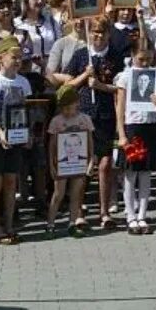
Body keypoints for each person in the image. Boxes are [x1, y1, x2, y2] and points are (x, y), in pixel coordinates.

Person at [69, 16, 124, 229]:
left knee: (104, 164)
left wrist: (101, 86)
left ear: (108, 34)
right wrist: (85, 75)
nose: (97, 36)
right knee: (84, 164)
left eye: (101, 32)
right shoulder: (81, 55)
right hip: (84, 114)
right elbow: (69, 85)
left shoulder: (115, 56)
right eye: (94, 32)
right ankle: (80, 210)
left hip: (106, 115)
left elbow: (121, 88)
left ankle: (104, 212)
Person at [0, 40, 30, 244]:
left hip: (15, 139)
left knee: (11, 182)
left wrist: (27, 134)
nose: (17, 61)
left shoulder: (23, 82)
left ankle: (9, 224)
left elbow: (25, 111)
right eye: (13, 57)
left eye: (20, 57)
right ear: (1, 58)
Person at [116, 48, 156, 235]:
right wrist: (121, 134)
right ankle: (130, 215)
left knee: (145, 173)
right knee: (130, 173)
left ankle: (142, 214)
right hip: (132, 126)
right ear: (133, 57)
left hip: (150, 126)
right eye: (141, 59)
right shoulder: (126, 77)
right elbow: (119, 108)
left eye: (149, 59)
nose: (145, 63)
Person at [46, 84, 94, 237]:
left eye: (69, 107)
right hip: (62, 163)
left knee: (76, 194)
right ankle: (50, 224)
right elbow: (52, 144)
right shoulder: (57, 121)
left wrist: (91, 160)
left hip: (79, 163)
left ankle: (72, 223)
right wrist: (52, 164)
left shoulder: (84, 120)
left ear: (77, 103)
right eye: (63, 108)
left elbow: (89, 141)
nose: (66, 111)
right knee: (58, 194)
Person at [15, 0, 57, 66]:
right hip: (28, 69)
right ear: (26, 0)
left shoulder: (51, 21)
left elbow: (59, 43)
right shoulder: (17, 24)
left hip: (51, 69)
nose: (40, 1)